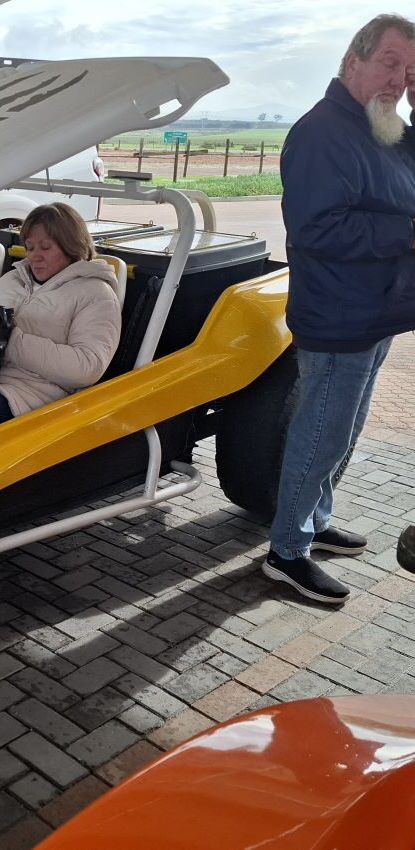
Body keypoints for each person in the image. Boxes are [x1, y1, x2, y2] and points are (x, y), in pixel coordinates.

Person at [266, 14, 415, 604]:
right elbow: (317, 228)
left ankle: (315, 520)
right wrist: (408, 232)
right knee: (323, 432)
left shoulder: (384, 130)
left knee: (345, 429)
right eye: (388, 62)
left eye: (408, 70)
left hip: (377, 314)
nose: (398, 79)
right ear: (351, 62)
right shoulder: (322, 132)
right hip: (338, 318)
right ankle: (286, 551)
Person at [0, 203, 121, 435]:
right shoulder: (13, 279)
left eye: (45, 248)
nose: (35, 257)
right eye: (30, 247)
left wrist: (9, 340)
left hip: (33, 397)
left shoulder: (96, 294)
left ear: (71, 247)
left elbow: (86, 368)